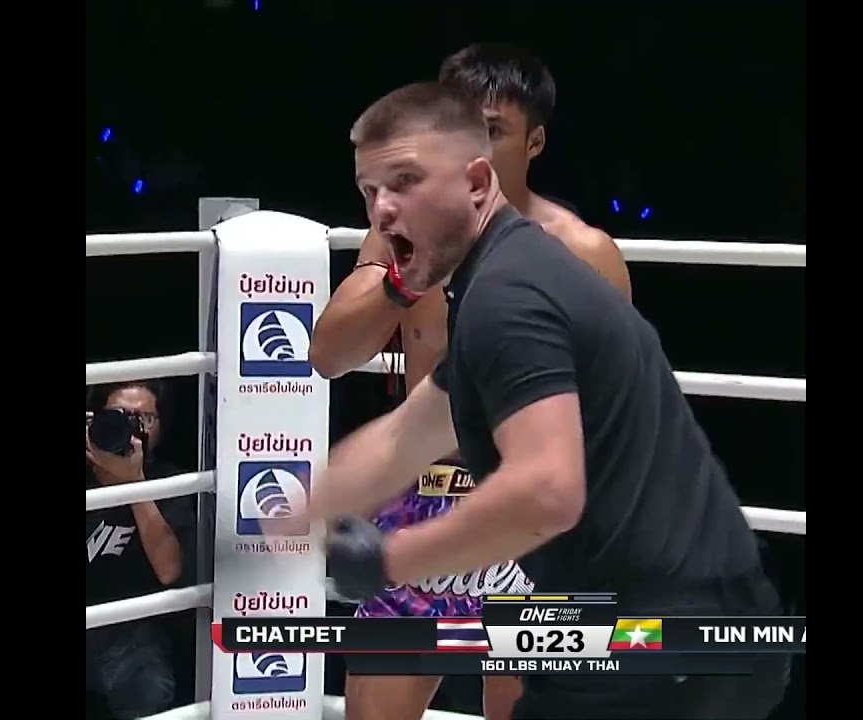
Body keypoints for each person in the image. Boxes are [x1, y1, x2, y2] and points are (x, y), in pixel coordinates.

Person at [307, 81, 790, 719]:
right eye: (371, 191)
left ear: (516, 152)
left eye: (493, 130)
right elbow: (384, 402)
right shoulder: (457, 262)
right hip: (453, 507)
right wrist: (302, 514)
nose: (384, 208)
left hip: (599, 581)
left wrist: (389, 559)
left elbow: (563, 472)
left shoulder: (542, 273)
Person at [308, 44, 631, 720]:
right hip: (417, 505)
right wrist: (403, 280)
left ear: (534, 142)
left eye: (491, 130)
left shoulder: (582, 252)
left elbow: (619, 414)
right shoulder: (398, 235)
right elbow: (329, 354)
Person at [85, 380, 196, 720]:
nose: (131, 428)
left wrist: (134, 486)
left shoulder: (173, 484)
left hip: (136, 635)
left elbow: (170, 570)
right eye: (118, 416)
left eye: (145, 419)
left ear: (160, 428)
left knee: (147, 685)